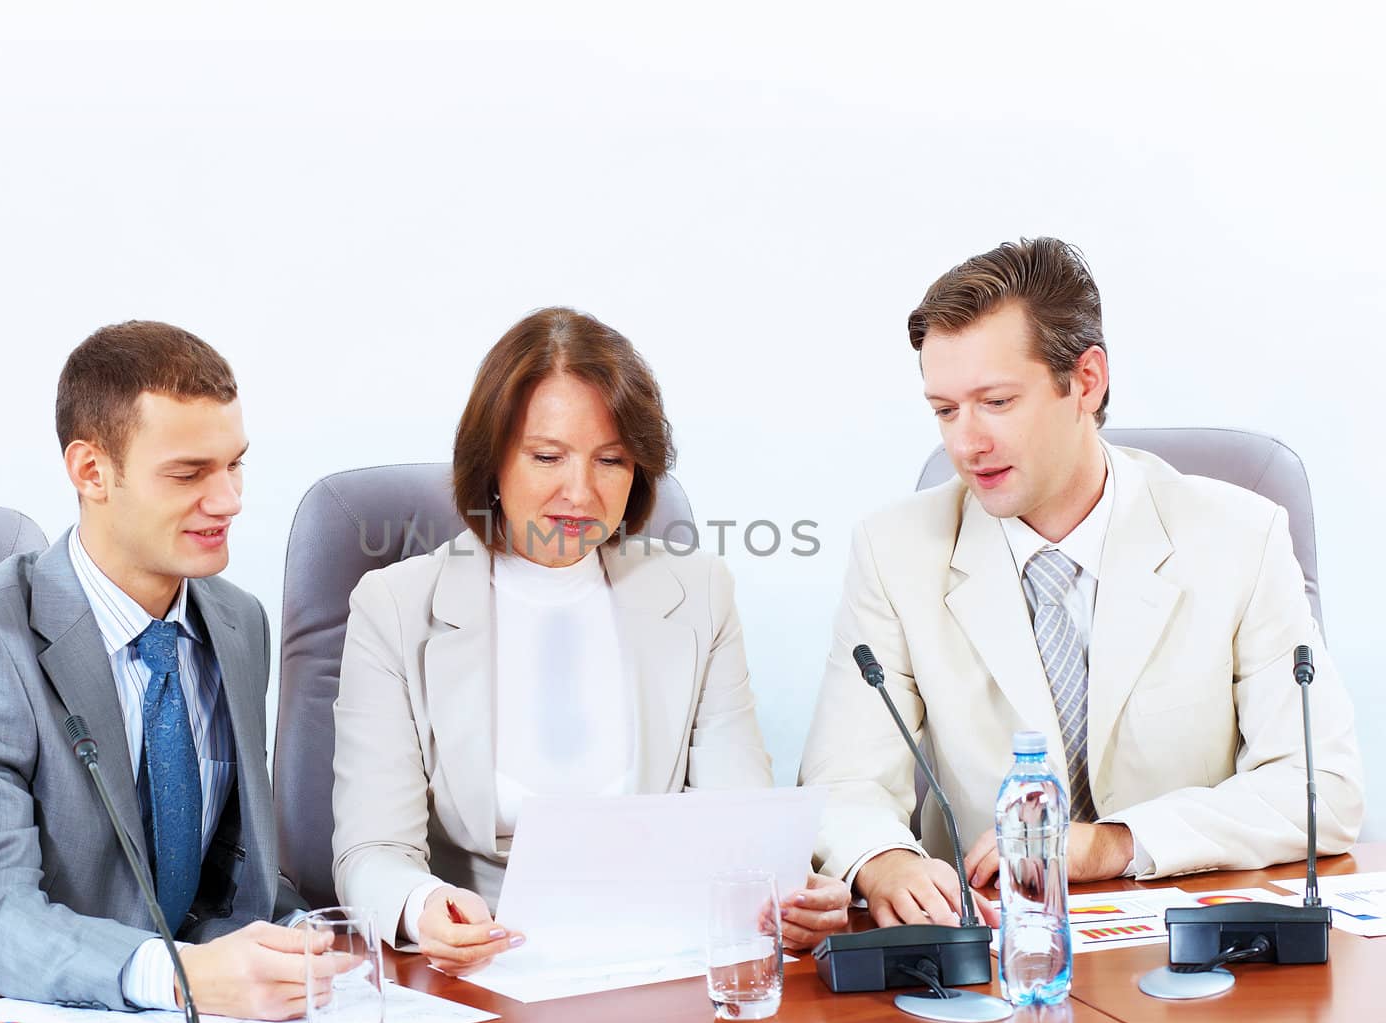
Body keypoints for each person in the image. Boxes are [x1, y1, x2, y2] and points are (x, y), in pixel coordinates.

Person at [800, 238, 1364, 929]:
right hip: (993, 952)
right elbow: (844, 780)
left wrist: (1112, 844)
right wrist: (885, 859)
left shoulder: (1239, 536)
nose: (965, 443)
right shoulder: (894, 550)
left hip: (1197, 945)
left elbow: (1321, 792)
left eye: (996, 401)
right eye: (945, 410)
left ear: (1087, 380)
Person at [0, 321, 321, 1019]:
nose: (229, 499)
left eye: (235, 464)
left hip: (119, 1016)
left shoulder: (237, 622)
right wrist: (185, 976)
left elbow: (221, 876)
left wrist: (305, 941)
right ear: (90, 472)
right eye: (189, 472)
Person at [331, 307, 850, 974]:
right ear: (492, 459)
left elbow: (736, 826)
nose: (580, 491)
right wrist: (423, 903)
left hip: (670, 964)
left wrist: (791, 893)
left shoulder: (698, 591)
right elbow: (371, 852)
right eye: (548, 456)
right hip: (484, 976)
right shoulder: (397, 606)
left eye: (612, 459)